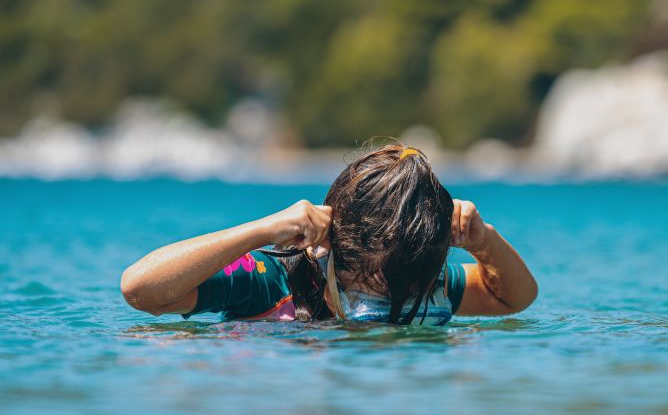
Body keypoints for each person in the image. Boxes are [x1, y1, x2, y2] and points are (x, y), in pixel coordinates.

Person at [121, 144, 537, 325]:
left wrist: (484, 240)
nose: (387, 308)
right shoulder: (268, 282)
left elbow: (514, 298)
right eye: (367, 299)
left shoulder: (422, 278)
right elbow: (140, 289)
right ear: (327, 250)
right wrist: (260, 231)